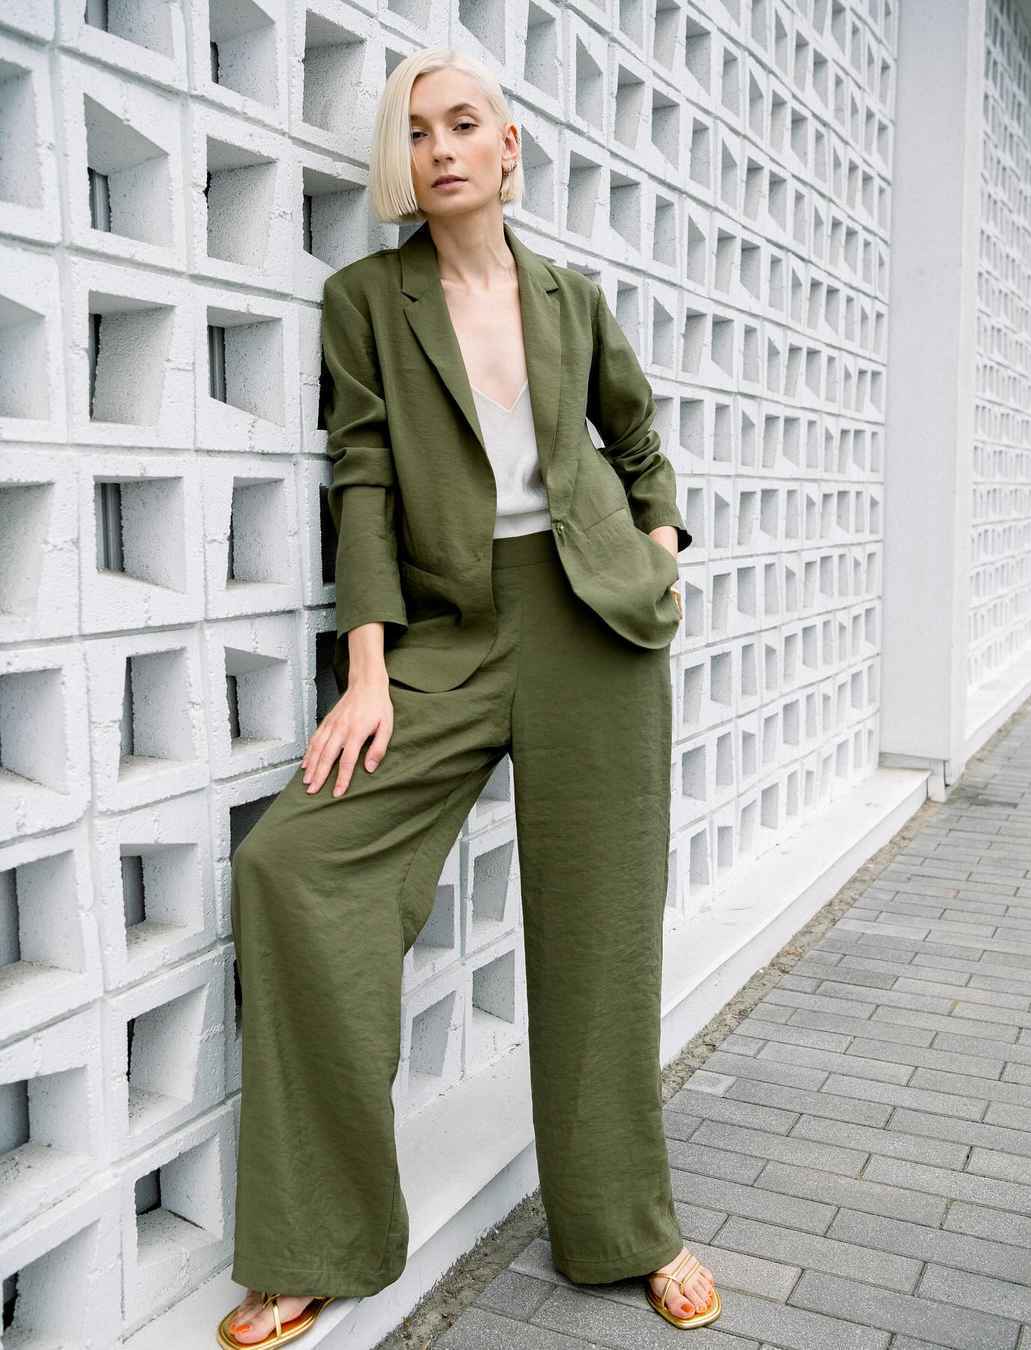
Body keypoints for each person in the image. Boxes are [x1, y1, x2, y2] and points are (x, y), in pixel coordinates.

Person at [217, 45, 721, 1349]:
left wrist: (660, 548)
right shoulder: (366, 300)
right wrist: (365, 669)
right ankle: (318, 1241)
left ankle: (629, 1228)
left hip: (597, 625)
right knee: (292, 864)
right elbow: (363, 475)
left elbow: (637, 440)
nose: (438, 147)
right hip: (449, 632)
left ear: (508, 149)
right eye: (415, 129)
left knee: (602, 940)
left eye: (462, 123)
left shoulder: (571, 298)